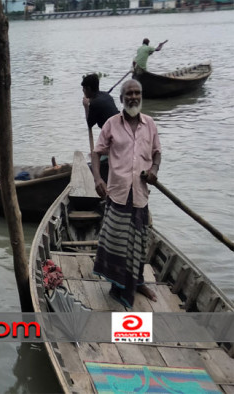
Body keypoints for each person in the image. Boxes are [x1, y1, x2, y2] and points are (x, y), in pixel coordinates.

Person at [91, 79, 161, 309]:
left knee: (139, 244)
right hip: (118, 194)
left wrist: (153, 170)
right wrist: (98, 179)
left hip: (139, 195)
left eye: (137, 93)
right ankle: (118, 286)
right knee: (115, 244)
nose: (133, 97)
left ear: (141, 96)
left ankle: (137, 282)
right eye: (129, 93)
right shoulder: (111, 124)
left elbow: (157, 153)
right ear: (121, 99)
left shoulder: (150, 124)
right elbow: (96, 153)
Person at [82, 73, 119, 182]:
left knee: (94, 156)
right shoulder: (106, 95)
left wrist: (86, 106)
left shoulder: (94, 103)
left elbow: (89, 124)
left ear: (88, 89)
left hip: (114, 137)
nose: (83, 92)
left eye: (84, 89)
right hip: (116, 132)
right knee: (95, 154)